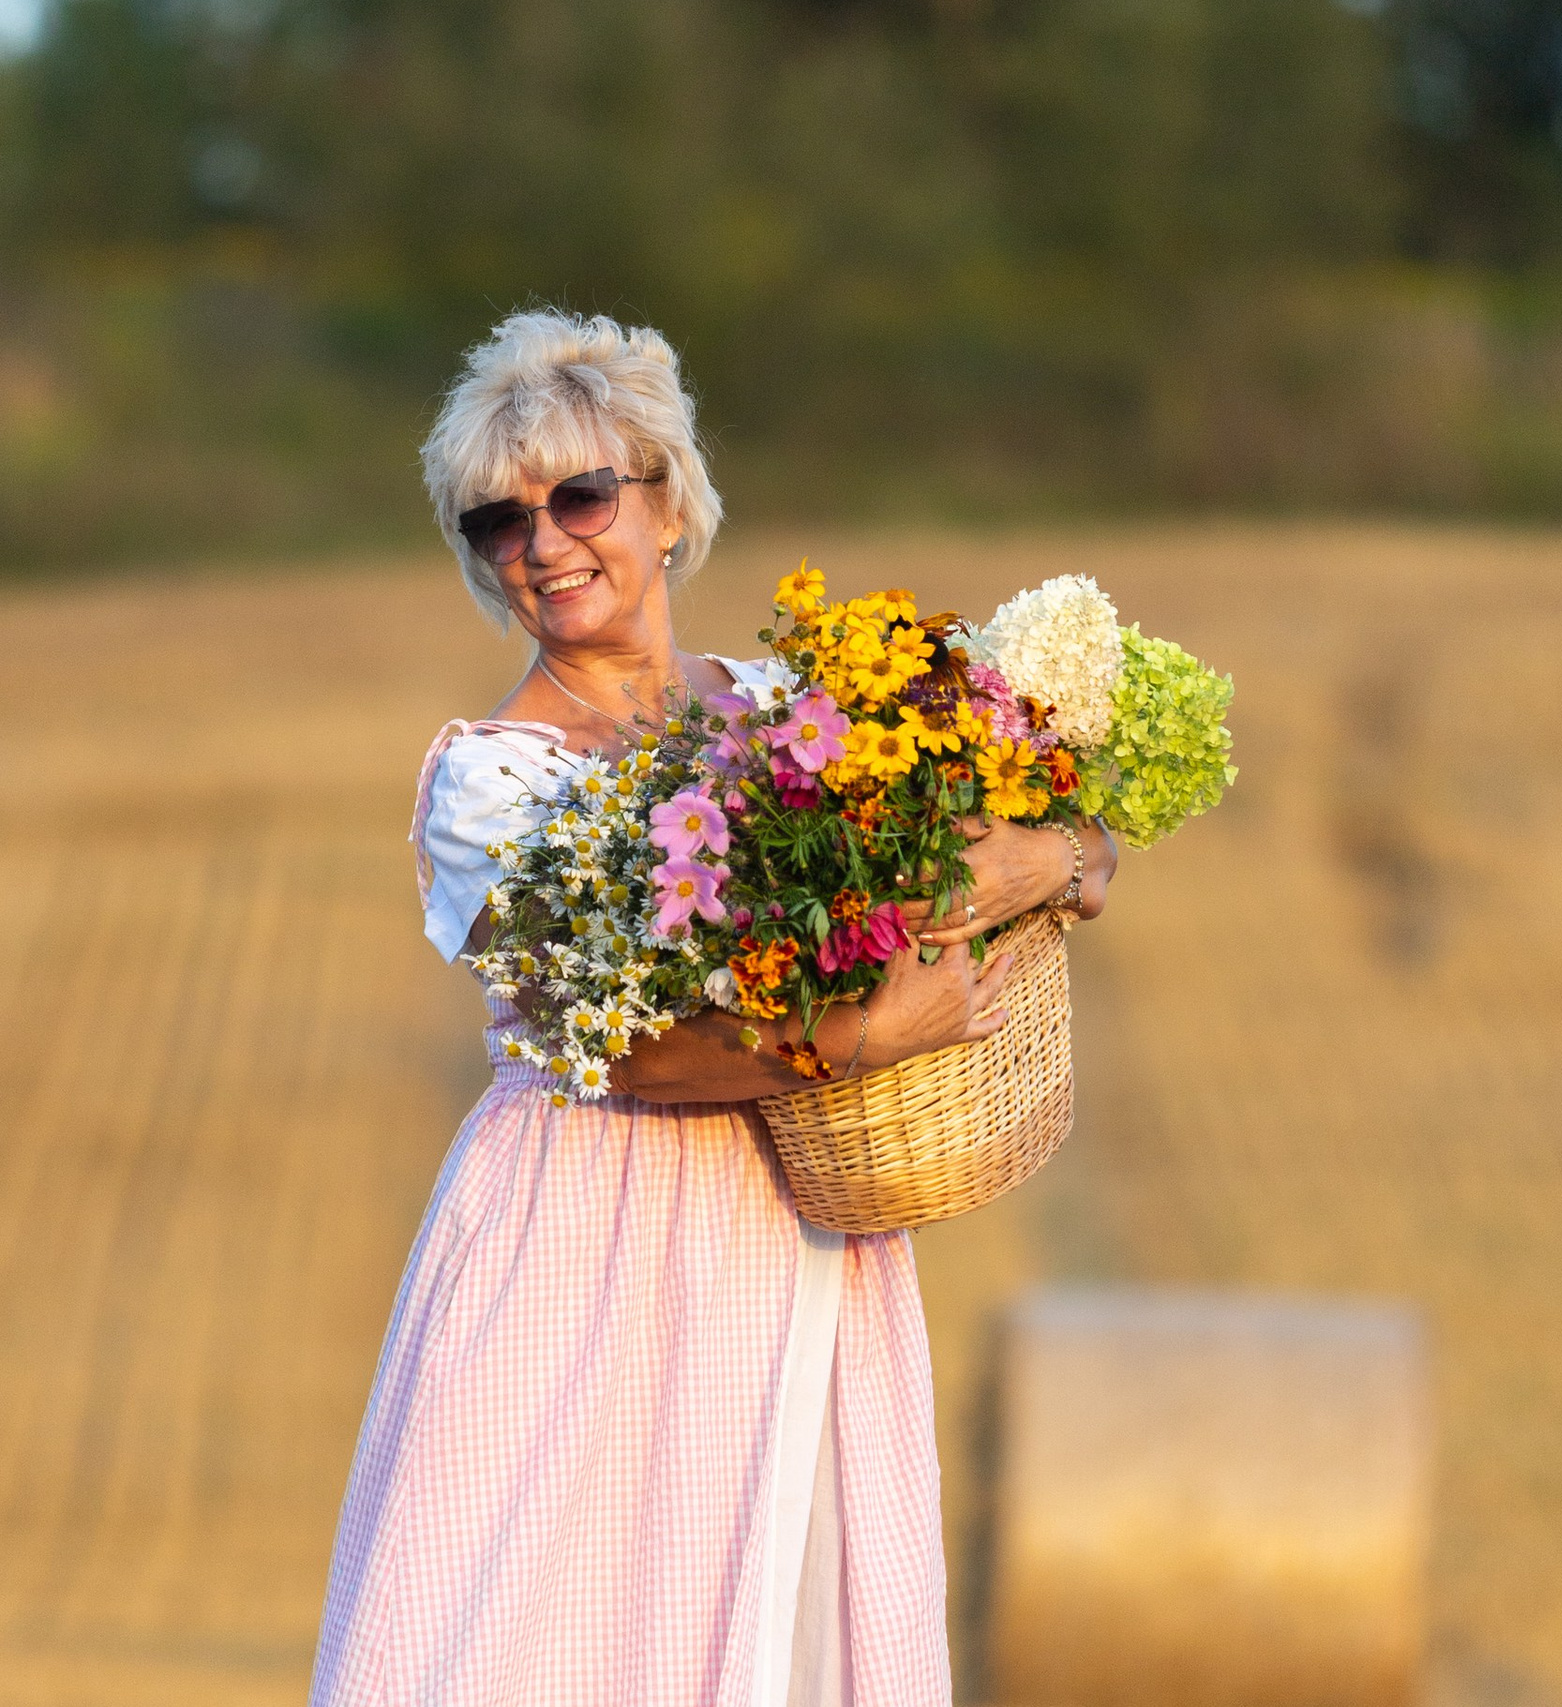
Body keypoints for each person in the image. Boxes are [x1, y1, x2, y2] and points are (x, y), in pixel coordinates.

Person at [308, 308, 1113, 1707]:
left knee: (785, 1632)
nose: (544, 543)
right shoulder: (487, 786)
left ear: (668, 506)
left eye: (579, 496)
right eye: (499, 522)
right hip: (587, 1231)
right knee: (540, 1631)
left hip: (793, 1218)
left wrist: (1059, 856)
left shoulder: (796, 705)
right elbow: (616, 1057)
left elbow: (1042, 849)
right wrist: (856, 1039)